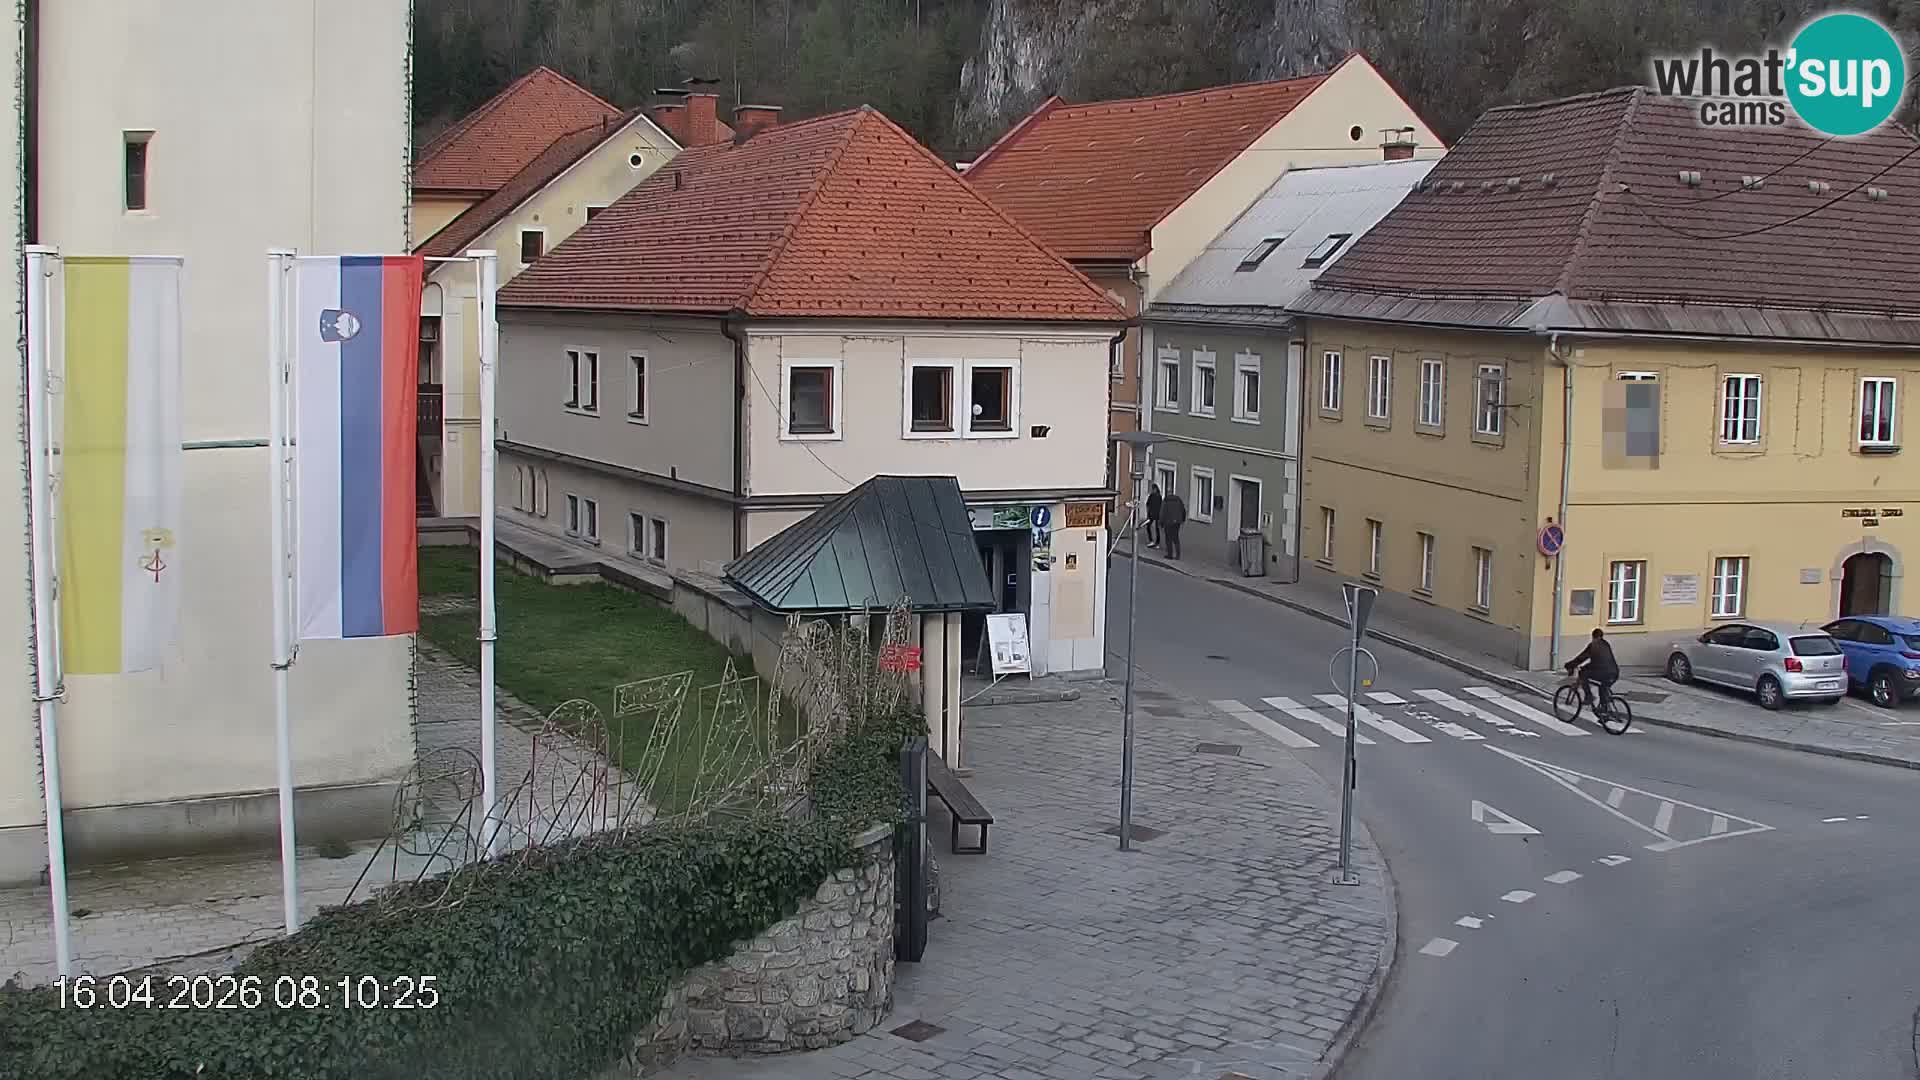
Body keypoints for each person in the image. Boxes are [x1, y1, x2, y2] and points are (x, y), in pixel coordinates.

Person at [1564, 628, 1619, 710]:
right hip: (1614, 672)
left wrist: (1569, 665)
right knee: (1603, 688)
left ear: (1593, 637)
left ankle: (1588, 696)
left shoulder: (1593, 645)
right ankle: (1605, 709)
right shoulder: (1606, 644)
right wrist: (1587, 666)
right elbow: (1600, 661)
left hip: (1603, 672)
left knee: (1582, 673)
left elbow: (1581, 658)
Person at [1161, 489, 1187, 560]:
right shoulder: (1179, 500)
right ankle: (1178, 555)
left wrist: (1161, 523)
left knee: (1168, 538)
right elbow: (1183, 510)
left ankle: (1170, 554)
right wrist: (1182, 520)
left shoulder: (1166, 501)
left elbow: (1162, 512)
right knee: (1176, 538)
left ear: (1167, 494)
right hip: (1177, 522)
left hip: (1168, 522)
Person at [1144, 483, 1163, 548]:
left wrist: (1148, 512)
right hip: (1156, 514)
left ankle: (1152, 541)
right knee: (1155, 528)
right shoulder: (1159, 496)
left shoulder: (1152, 496)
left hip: (1153, 514)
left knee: (1150, 527)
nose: (1152, 490)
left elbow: (1147, 504)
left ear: (1155, 489)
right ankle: (1156, 542)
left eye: (1152, 489)